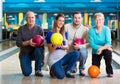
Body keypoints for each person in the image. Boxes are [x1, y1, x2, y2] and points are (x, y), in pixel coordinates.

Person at [45, 13, 80, 79]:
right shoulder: (50, 33)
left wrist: (61, 46)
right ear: (56, 21)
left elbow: (67, 47)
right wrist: (55, 46)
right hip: (54, 60)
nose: (61, 22)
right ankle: (54, 69)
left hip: (63, 59)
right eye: (60, 20)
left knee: (76, 53)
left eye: (63, 21)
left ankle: (68, 71)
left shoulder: (64, 33)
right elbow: (50, 50)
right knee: (61, 76)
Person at [16, 11, 44, 77]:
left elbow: (42, 45)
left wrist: (43, 58)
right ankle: (26, 63)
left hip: (35, 53)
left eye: (32, 17)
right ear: (26, 19)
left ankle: (38, 70)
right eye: (29, 18)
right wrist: (28, 42)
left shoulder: (39, 29)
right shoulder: (21, 29)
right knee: (27, 73)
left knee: (39, 49)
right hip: (25, 53)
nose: (31, 19)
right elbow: (18, 43)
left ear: (35, 18)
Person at [88, 12, 113, 77]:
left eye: (100, 19)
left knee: (108, 52)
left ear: (103, 20)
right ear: (94, 20)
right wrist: (105, 47)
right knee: (95, 69)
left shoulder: (106, 29)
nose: (98, 21)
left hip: (105, 49)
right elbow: (92, 44)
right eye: (96, 19)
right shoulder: (91, 30)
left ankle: (109, 72)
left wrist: (102, 48)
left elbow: (108, 43)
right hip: (96, 50)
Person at [65, 11, 89, 76]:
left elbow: (89, 43)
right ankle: (73, 66)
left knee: (84, 52)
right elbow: (62, 38)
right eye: (75, 18)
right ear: (72, 18)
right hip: (69, 52)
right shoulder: (66, 27)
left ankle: (81, 68)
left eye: (79, 18)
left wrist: (80, 46)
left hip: (80, 51)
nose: (77, 19)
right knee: (66, 70)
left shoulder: (85, 29)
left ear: (81, 19)